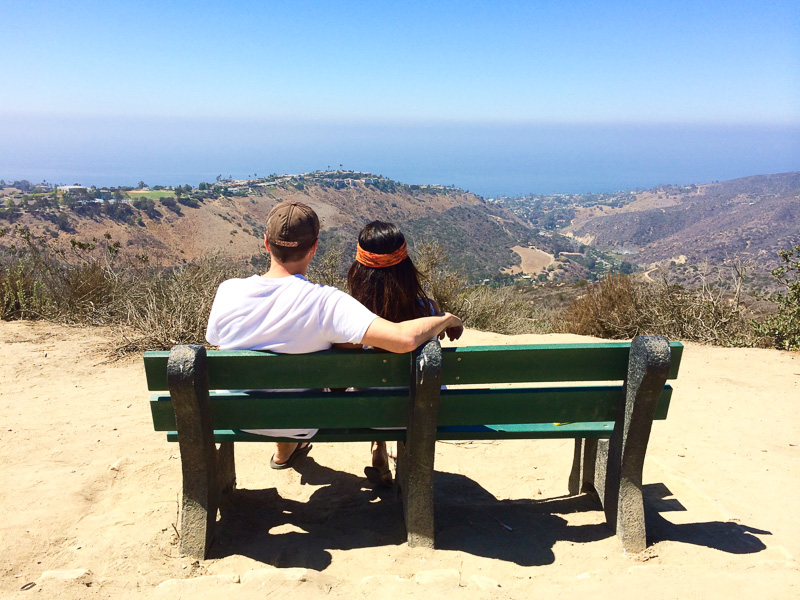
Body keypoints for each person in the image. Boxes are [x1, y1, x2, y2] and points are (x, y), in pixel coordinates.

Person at [205, 201, 463, 470]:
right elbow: (403, 338)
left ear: (267, 244)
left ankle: (286, 451)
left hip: (234, 418)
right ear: (314, 247)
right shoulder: (326, 303)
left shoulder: (227, 291)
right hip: (299, 424)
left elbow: (217, 339)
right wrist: (446, 319)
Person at [346, 221, 445, 487]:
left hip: (368, 416)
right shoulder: (429, 312)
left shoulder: (349, 318)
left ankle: (378, 446)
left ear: (358, 270)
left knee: (367, 385)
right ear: (407, 269)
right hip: (421, 415)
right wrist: (446, 318)